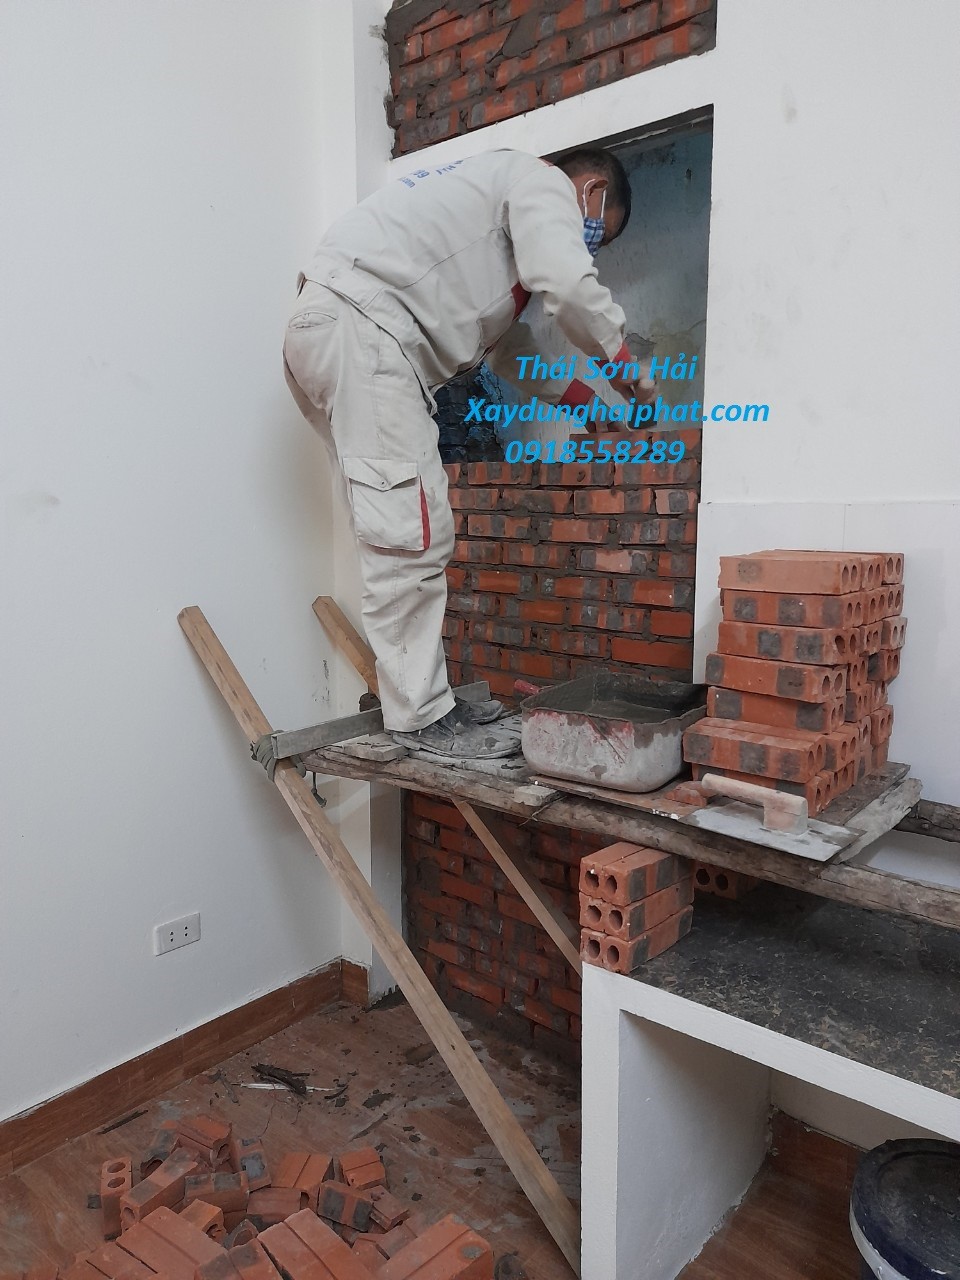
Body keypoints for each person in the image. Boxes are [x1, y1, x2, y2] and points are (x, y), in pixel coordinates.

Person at [283, 146, 652, 760]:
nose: (589, 248)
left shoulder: (486, 229)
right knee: (411, 533)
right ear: (591, 192)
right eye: (597, 234)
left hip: (337, 330)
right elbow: (568, 283)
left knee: (392, 530)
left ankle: (420, 699)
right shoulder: (539, 181)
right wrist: (626, 367)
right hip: (366, 334)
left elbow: (509, 351)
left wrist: (589, 403)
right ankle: (421, 717)